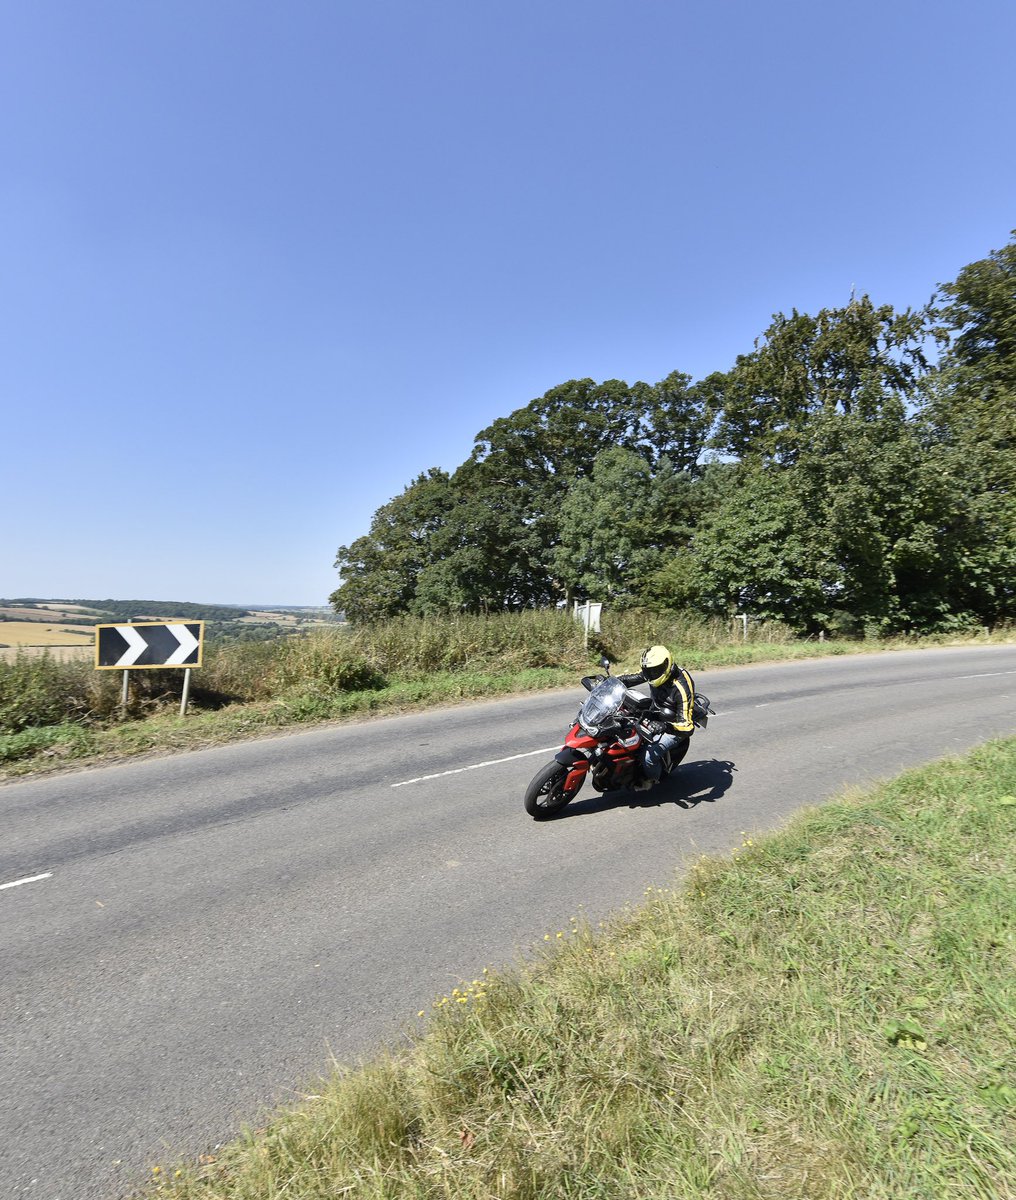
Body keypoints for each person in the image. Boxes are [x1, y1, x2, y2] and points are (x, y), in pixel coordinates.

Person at [617, 644, 697, 788]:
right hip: (656, 711)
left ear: (666, 665)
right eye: (648, 671)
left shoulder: (681, 687)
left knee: (648, 756)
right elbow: (634, 677)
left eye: (654, 671)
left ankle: (651, 780)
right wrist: (610, 681)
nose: (651, 674)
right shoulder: (653, 671)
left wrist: (666, 726)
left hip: (673, 725)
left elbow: (688, 727)